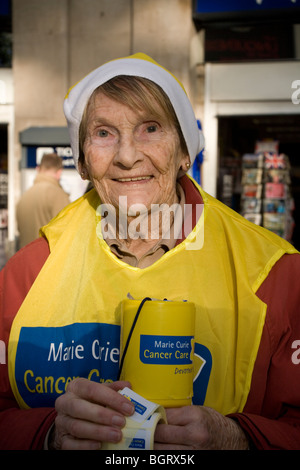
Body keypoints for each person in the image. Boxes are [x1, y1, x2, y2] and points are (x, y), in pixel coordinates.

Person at [0, 52, 299, 450]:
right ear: (84, 162)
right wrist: (49, 435)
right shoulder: (28, 272)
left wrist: (237, 438)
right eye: (104, 133)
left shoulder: (275, 274)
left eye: (151, 128)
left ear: (184, 153)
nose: (127, 156)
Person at [16, 152, 70, 248]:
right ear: (59, 172)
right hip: (49, 261)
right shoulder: (57, 194)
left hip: (27, 260)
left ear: (38, 169)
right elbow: (67, 233)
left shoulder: (24, 197)